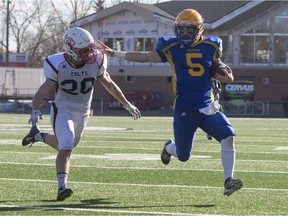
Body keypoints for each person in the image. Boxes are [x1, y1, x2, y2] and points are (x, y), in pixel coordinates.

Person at [97, 8, 243, 196]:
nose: (184, 34)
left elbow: (220, 70)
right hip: (185, 107)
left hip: (207, 105)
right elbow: (146, 56)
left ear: (199, 30)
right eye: (181, 30)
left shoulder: (212, 45)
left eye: (189, 30)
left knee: (228, 136)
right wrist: (115, 53)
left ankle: (228, 181)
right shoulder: (171, 46)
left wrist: (227, 78)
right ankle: (168, 147)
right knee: (183, 156)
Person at [21, 27, 141, 201]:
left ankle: (38, 136)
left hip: (83, 111)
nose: (90, 53)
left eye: (90, 48)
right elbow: (42, 91)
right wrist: (35, 109)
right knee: (67, 144)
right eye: (85, 50)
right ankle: (62, 186)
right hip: (63, 108)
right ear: (71, 49)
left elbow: (108, 83)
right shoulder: (57, 63)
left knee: (65, 145)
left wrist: (127, 104)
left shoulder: (97, 60)